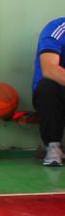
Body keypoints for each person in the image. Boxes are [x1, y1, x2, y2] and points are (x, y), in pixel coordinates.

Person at [32, 17, 65, 167]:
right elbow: (49, 69)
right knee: (48, 87)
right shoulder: (57, 29)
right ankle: (53, 146)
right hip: (55, 95)